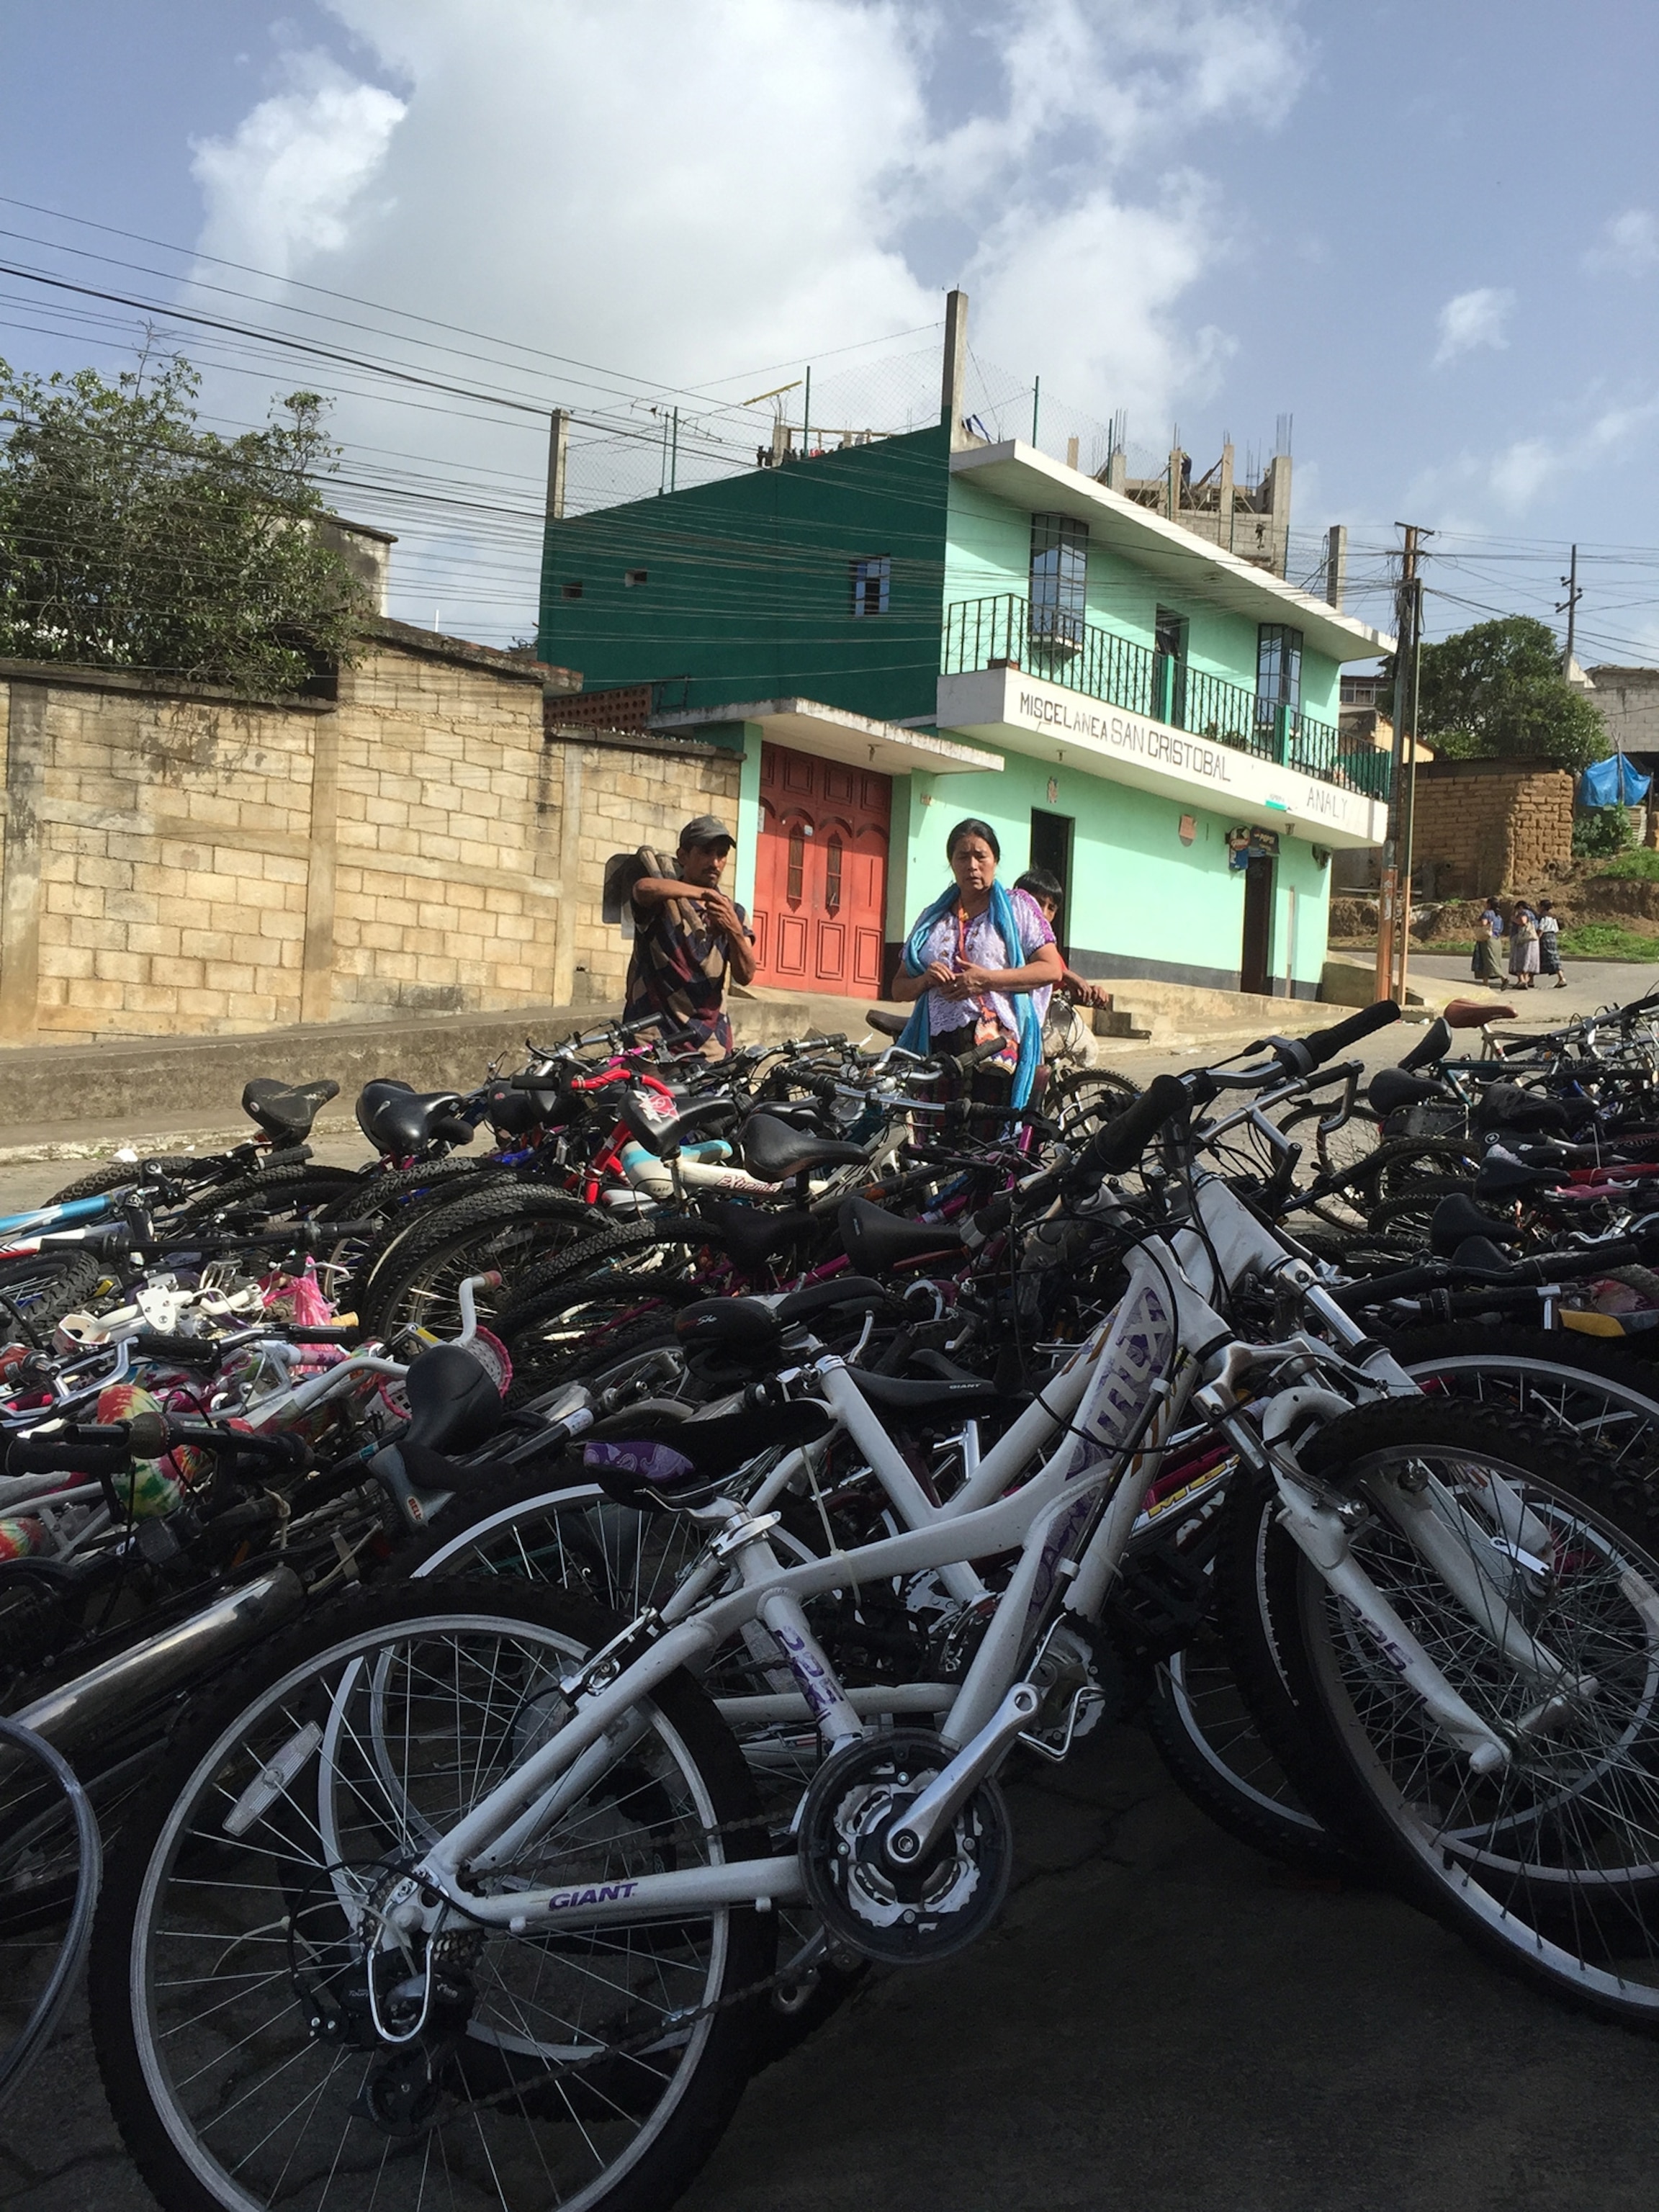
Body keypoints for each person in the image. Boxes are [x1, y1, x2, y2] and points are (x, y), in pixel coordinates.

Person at [892, 818, 1064, 1107]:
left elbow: (1050, 969)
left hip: (994, 1049)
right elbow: (898, 988)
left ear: (995, 861)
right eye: (963, 856)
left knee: (989, 1138)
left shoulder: (1018, 908)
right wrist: (924, 981)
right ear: (952, 863)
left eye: (980, 856)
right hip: (937, 1048)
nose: (972, 865)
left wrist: (986, 980)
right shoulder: (932, 920)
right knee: (935, 1137)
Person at [624, 814, 756, 1054]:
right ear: (683, 856)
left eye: (721, 854)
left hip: (709, 1044)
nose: (715, 862)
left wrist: (734, 930)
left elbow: (746, 975)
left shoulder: (733, 911)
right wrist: (702, 894)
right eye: (706, 852)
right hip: (652, 1041)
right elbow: (642, 888)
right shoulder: (661, 902)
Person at [1015, 866, 1107, 1071]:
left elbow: (1059, 990)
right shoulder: (1009, 936)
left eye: (1052, 908)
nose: (1044, 914)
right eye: (1037, 903)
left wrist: (1090, 992)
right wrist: (1068, 974)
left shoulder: (1046, 947)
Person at [1509, 902, 1540, 989]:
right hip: (1532, 939)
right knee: (1528, 960)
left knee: (1519, 959)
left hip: (1523, 939)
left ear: (1520, 907)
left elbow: (1523, 921)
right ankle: (1526, 979)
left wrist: (1513, 919)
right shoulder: (1533, 914)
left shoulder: (1524, 912)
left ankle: (1521, 980)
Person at [1472, 907, 1505, 987]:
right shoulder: (1499, 916)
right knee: (1487, 960)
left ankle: (1504, 978)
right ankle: (1485, 982)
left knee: (1489, 960)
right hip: (1496, 939)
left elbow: (1484, 923)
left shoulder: (1488, 913)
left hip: (1487, 939)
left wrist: (1475, 923)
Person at [1537, 898, 1565, 987]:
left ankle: (1561, 978)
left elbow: (1541, 929)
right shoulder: (1552, 917)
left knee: (1548, 957)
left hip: (1545, 937)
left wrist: (1537, 938)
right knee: (1554, 957)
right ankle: (1561, 977)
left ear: (1542, 907)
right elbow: (1556, 930)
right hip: (1553, 937)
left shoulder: (1543, 917)